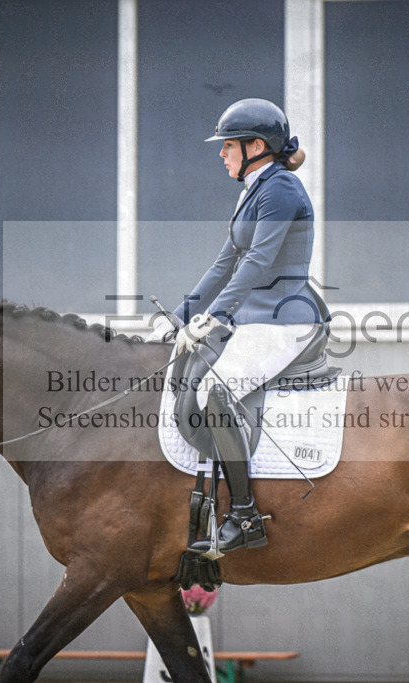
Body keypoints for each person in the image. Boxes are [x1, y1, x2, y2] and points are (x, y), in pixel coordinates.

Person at [151, 98, 326, 554]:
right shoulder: (253, 189)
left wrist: (218, 315)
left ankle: (245, 516)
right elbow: (224, 263)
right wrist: (182, 316)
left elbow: (258, 262)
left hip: (285, 318)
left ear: (256, 146)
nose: (222, 154)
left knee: (217, 392)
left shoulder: (282, 189)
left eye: (228, 145)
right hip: (255, 317)